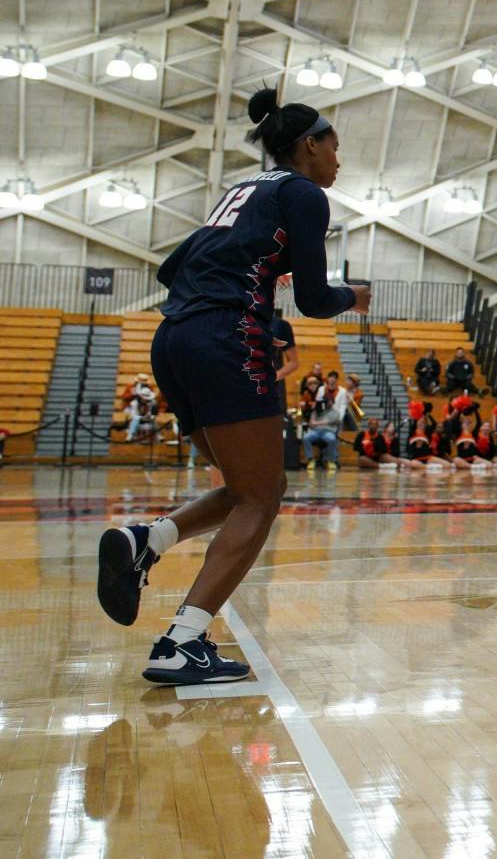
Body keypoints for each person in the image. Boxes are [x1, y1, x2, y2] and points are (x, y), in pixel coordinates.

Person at [93, 89, 368, 685]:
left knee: (250, 486)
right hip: (225, 338)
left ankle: (148, 538)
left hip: (174, 338)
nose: (339, 162)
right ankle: (182, 642)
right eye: (335, 148)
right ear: (309, 145)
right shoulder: (302, 193)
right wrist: (354, 297)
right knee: (262, 498)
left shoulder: (241, 193)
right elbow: (318, 301)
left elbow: (175, 266)